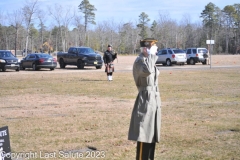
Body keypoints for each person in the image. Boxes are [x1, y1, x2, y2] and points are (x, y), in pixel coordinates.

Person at [128, 38, 161, 160]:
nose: (155, 50)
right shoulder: (140, 61)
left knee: (151, 135)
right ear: (146, 49)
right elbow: (146, 70)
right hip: (145, 100)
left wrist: (151, 56)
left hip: (154, 100)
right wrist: (151, 54)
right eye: (153, 48)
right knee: (144, 135)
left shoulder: (148, 60)